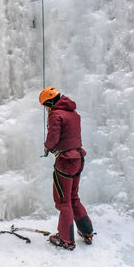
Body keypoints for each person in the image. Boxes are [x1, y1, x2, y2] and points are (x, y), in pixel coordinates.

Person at [39, 86, 94, 250]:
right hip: (78, 158)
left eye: (46, 106)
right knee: (73, 196)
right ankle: (87, 232)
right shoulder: (73, 114)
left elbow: (54, 137)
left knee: (64, 200)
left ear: (50, 102)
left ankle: (65, 239)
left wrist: (47, 147)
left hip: (65, 161)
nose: (46, 109)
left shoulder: (56, 114)